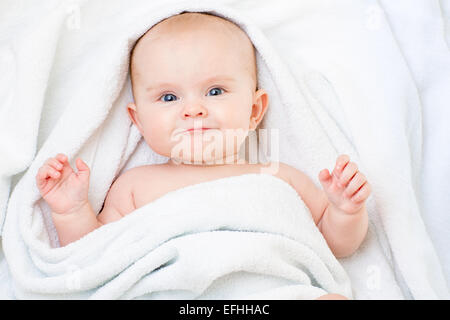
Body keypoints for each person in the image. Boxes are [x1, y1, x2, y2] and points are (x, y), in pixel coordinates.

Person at [36, 12, 371, 300]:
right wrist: (72, 210)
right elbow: (95, 255)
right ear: (138, 121)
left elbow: (337, 244)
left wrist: (344, 210)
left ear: (255, 111)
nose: (193, 109)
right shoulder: (134, 186)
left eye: (215, 91)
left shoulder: (278, 175)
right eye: (168, 97)